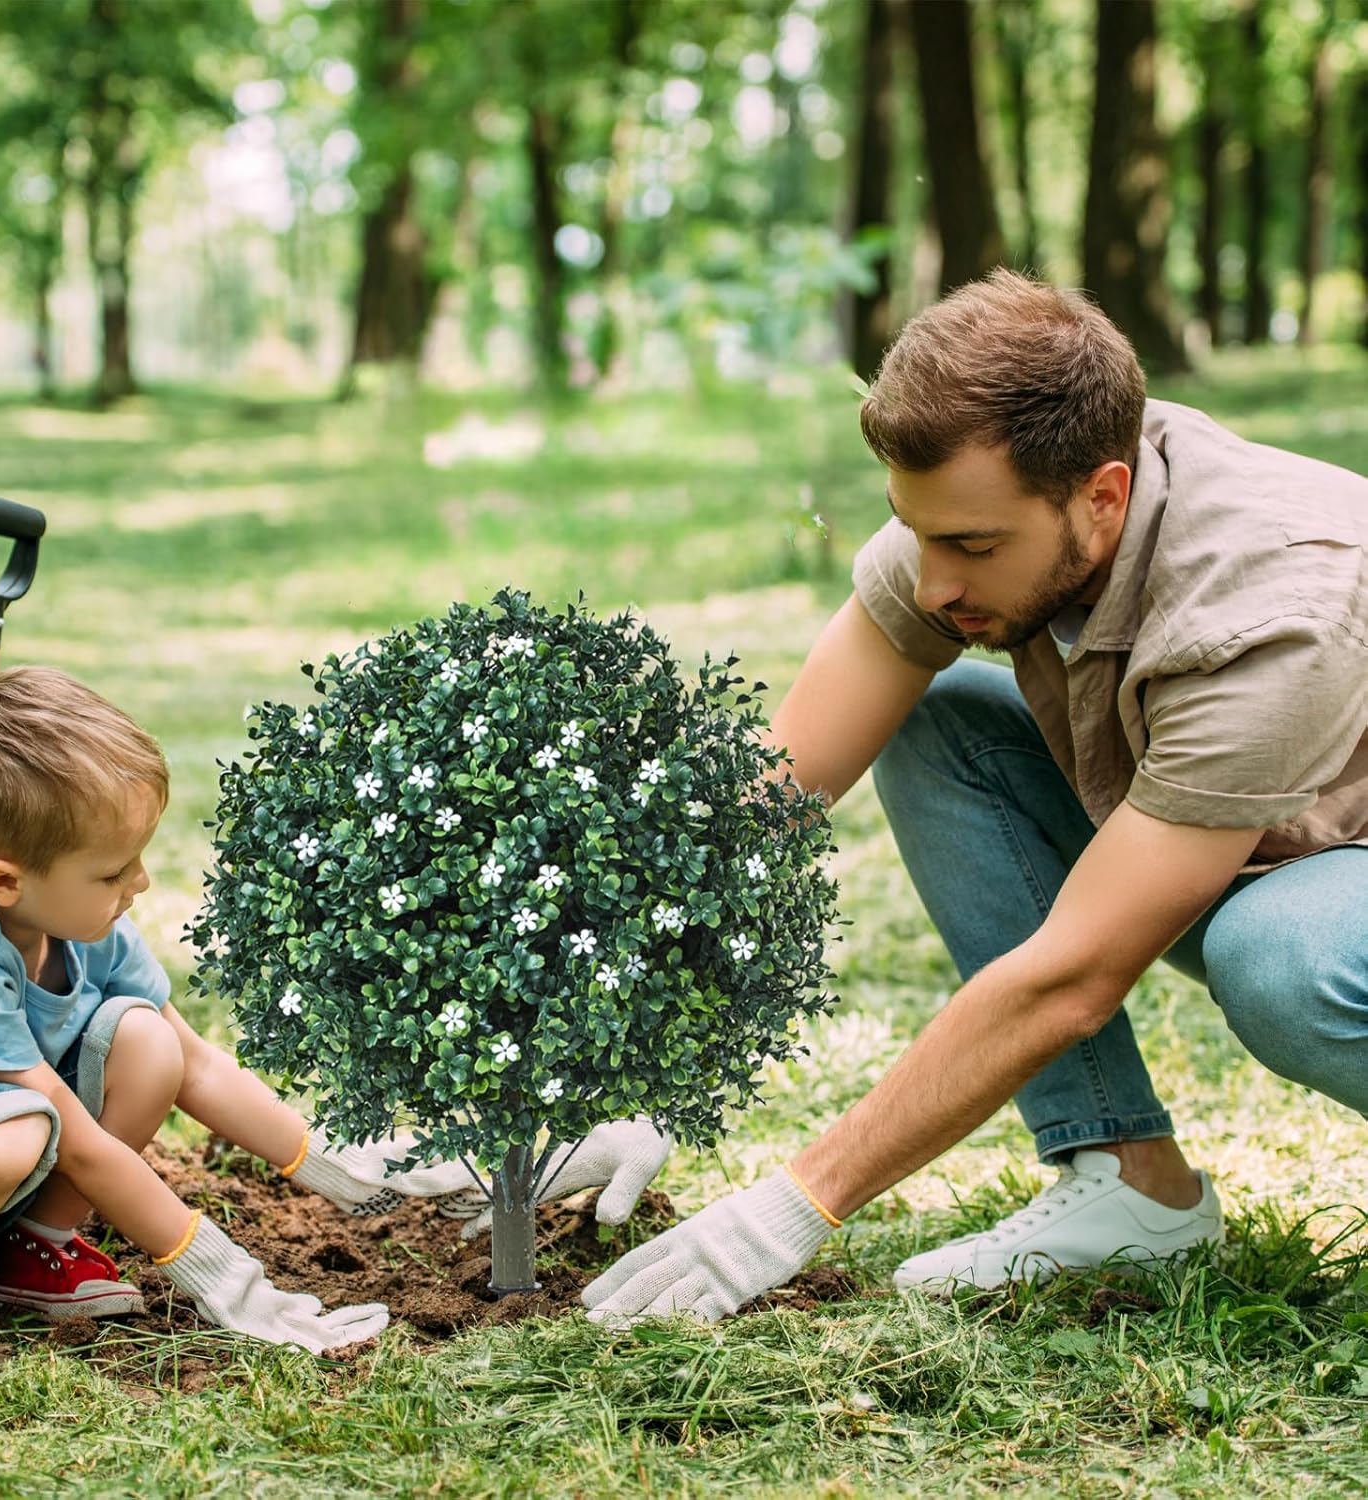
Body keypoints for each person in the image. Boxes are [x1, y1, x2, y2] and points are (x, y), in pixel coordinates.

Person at [582, 269, 1368, 1324]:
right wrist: (610, 1061)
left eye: (973, 547)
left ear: (1103, 497)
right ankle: (1131, 1189)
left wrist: (794, 1203)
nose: (935, 579)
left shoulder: (1272, 611)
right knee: (938, 712)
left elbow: (1072, 977)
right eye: (918, 531)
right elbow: (753, 812)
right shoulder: (981, 517)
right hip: (1263, 836)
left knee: (1283, 957)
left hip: (1329, 889)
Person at [0, 667, 665, 1385]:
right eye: (113, 871)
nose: (141, 882)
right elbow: (72, 1139)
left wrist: (346, 1176)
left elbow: (196, 1064)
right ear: (6, 880)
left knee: (144, 1039)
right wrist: (225, 1278)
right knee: (20, 1128)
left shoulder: (79, 920)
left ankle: (32, 1252)